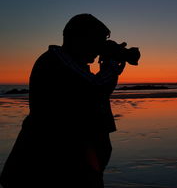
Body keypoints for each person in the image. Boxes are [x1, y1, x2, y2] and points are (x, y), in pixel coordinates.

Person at [0, 14, 126, 187]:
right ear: (80, 38)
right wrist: (112, 63)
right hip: (51, 162)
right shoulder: (57, 60)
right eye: (97, 41)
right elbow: (96, 89)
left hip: (64, 159)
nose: (99, 49)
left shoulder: (72, 64)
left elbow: (92, 95)